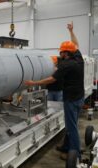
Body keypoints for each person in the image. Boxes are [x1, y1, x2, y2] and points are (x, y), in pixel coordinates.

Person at [25, 22, 84, 160]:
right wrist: (71, 31)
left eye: (61, 51)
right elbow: (76, 44)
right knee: (72, 125)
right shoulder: (78, 59)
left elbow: (51, 80)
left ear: (64, 53)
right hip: (79, 98)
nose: (60, 53)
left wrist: (33, 83)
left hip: (71, 100)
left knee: (72, 128)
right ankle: (66, 147)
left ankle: (76, 155)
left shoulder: (65, 65)